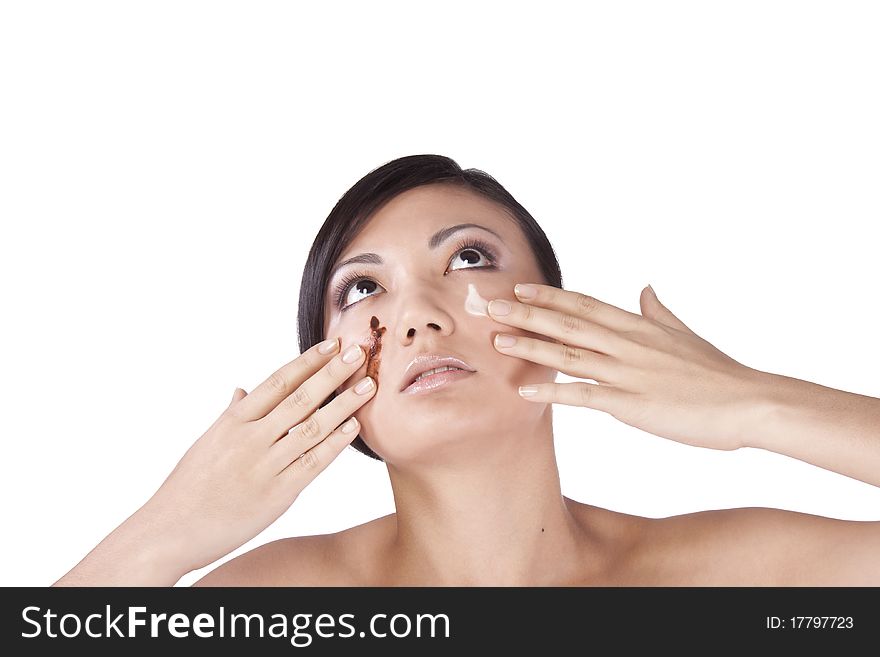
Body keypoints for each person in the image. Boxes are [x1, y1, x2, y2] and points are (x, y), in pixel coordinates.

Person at [54, 154, 880, 587]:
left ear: (556, 313)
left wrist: (759, 405)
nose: (416, 314)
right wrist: (165, 532)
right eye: (363, 289)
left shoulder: (738, 586)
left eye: (469, 257)